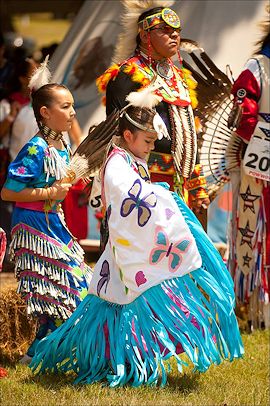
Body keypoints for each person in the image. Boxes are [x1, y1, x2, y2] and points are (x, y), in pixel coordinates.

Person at [30, 90, 243, 387]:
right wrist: (164, 195)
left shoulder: (133, 159)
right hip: (124, 253)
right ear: (128, 136)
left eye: (154, 142)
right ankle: (104, 359)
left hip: (129, 252)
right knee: (113, 307)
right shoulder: (117, 164)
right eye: (147, 141)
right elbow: (133, 201)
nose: (151, 147)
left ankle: (123, 358)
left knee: (117, 306)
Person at [0, 73, 92, 363]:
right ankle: (43, 352)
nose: (73, 112)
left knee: (66, 288)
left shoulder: (61, 146)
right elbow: (7, 192)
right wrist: (50, 190)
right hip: (34, 226)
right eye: (65, 107)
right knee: (62, 287)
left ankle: (42, 351)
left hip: (54, 222)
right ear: (45, 112)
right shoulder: (35, 149)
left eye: (72, 105)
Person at [96, 1, 210, 215]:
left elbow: (189, 131)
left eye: (177, 31)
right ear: (144, 34)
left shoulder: (180, 77)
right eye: (165, 30)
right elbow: (117, 133)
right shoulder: (126, 75)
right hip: (143, 181)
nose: (174, 35)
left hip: (179, 181)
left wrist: (196, 182)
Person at [227, 10, 270, 331]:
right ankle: (256, 305)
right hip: (261, 163)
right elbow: (244, 113)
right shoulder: (258, 67)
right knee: (258, 232)